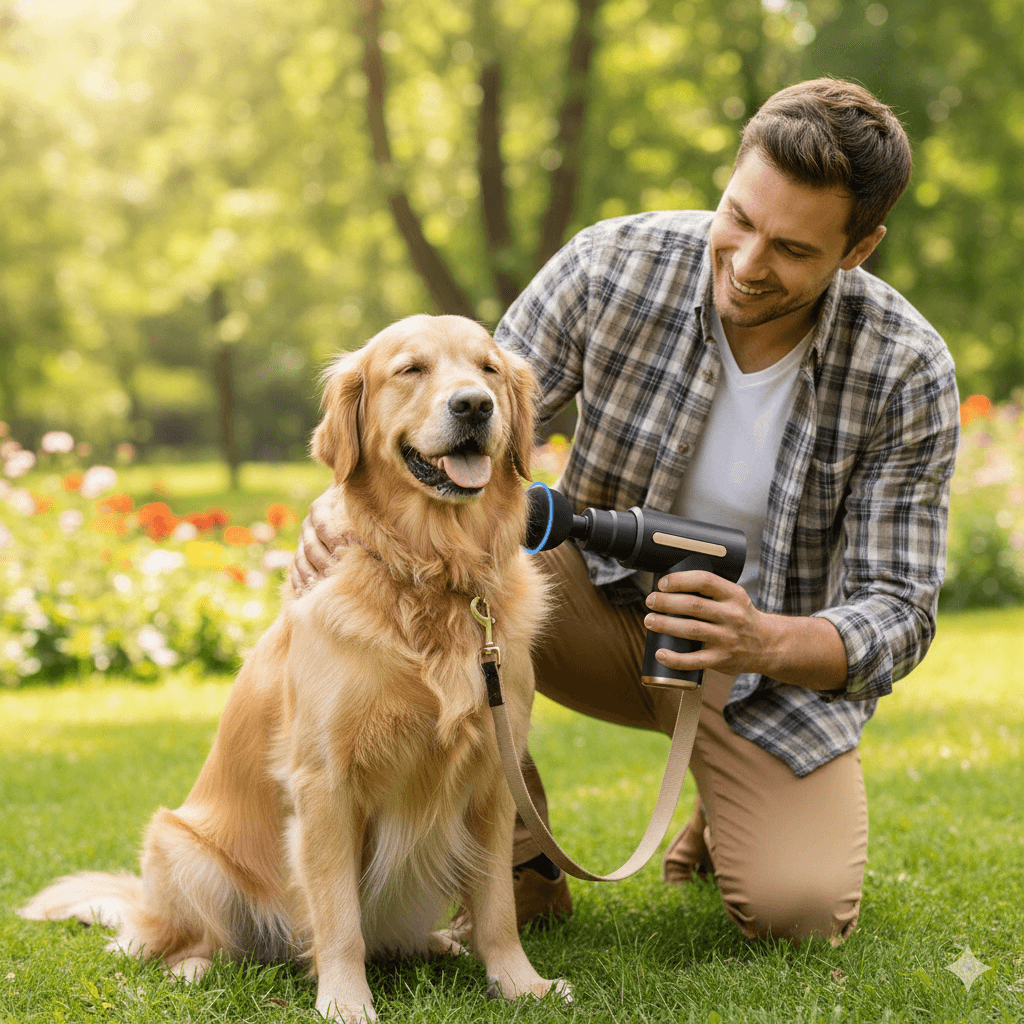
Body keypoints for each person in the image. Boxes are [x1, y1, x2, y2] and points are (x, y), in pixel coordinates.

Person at [293, 78, 960, 944]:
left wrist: (766, 641)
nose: (750, 264)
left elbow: (900, 609)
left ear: (858, 248)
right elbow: (461, 402)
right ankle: (520, 863)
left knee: (798, 911)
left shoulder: (906, 369)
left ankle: (729, 803)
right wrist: (339, 497)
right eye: (740, 219)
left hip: (755, 664)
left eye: (793, 249)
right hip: (586, 603)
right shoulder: (614, 264)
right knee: (381, 571)